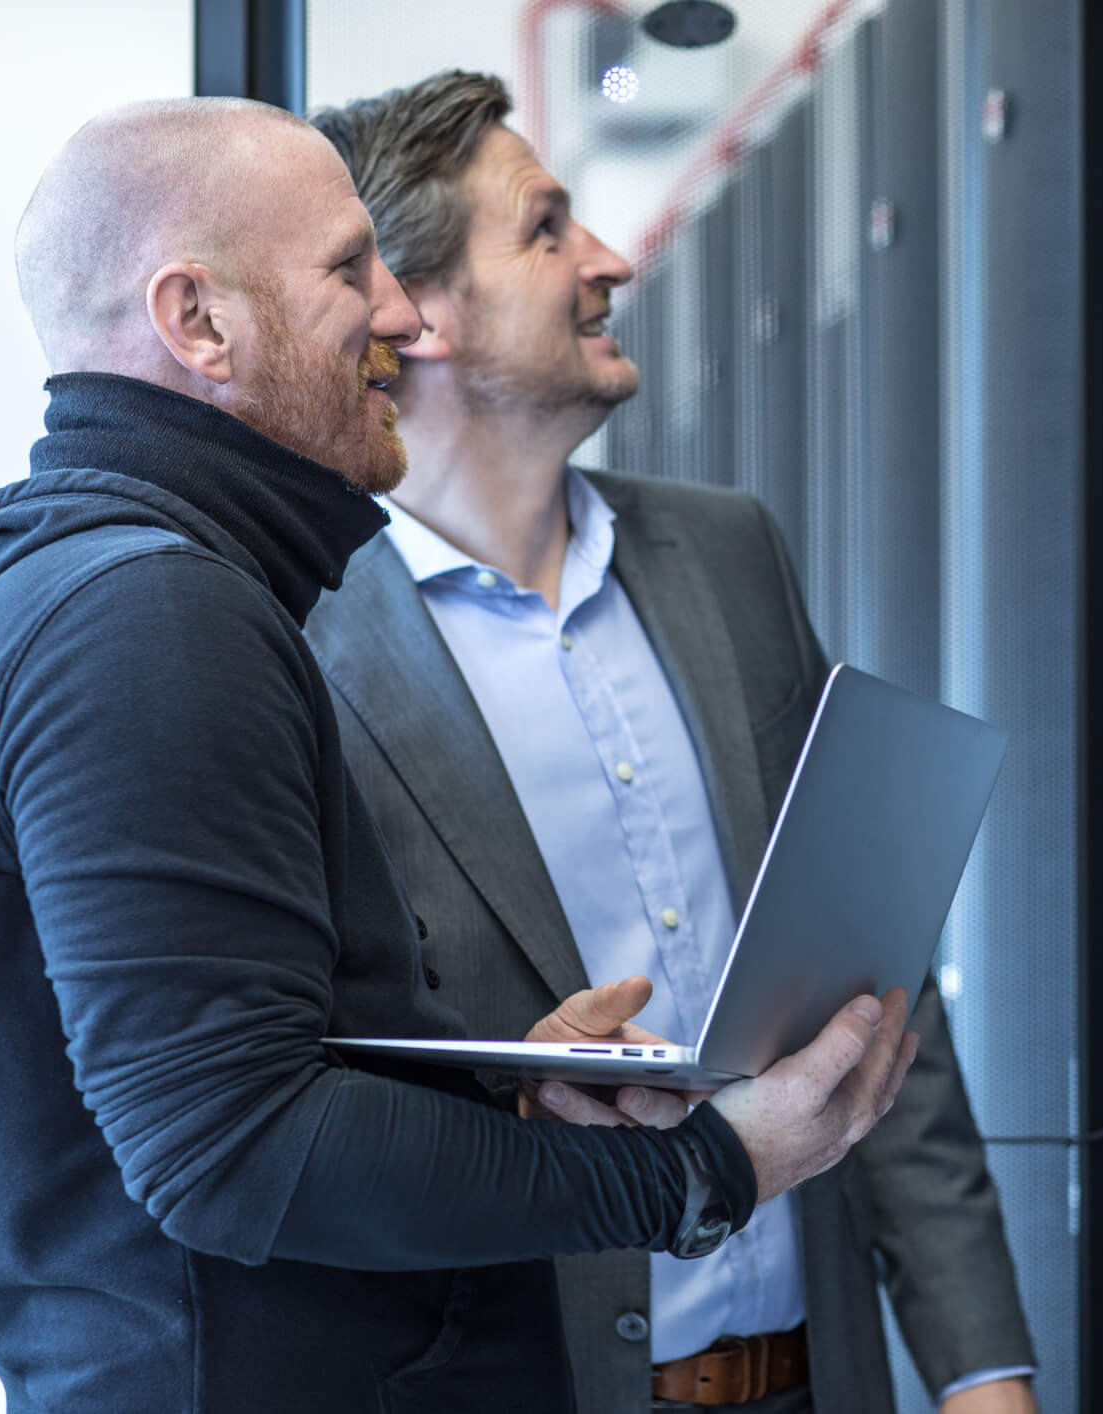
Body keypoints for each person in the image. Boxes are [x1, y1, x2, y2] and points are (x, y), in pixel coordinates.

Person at [0, 95, 918, 1414]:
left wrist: (508, 1106)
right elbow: (235, 1149)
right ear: (198, 320)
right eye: (348, 269)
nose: (403, 317)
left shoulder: (96, 593)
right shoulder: (145, 619)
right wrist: (701, 1169)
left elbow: (231, 1071)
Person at [304, 72, 1037, 1414]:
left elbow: (869, 986)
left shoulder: (724, 551)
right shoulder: (310, 640)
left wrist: (981, 1364)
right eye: (544, 231)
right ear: (418, 316)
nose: (608, 260)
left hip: (811, 1376)